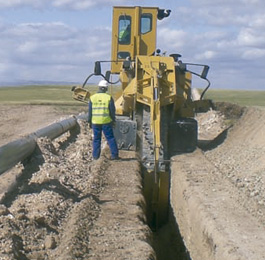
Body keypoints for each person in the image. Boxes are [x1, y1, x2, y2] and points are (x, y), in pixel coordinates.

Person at [88, 79, 119, 160]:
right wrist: (113, 120)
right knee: (110, 138)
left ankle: (95, 156)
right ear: (106, 88)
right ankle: (114, 155)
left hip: (95, 122)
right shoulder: (108, 98)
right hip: (106, 122)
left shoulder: (92, 98)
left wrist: (89, 121)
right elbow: (112, 111)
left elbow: (90, 112)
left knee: (96, 139)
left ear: (99, 87)